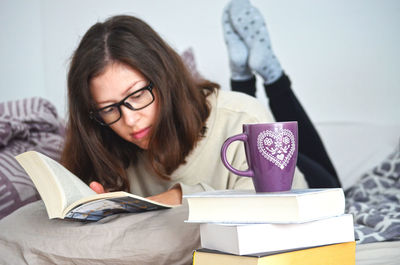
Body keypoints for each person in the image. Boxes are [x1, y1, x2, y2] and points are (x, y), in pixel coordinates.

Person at [60, 5, 312, 207]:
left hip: (294, 176)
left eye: (136, 95)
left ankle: (266, 75)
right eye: (109, 108)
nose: (129, 120)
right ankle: (245, 74)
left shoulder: (241, 115)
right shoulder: (104, 141)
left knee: (332, 182)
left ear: (164, 79)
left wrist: (183, 198)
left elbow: (272, 212)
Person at [222, 0, 341, 188]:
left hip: (292, 186)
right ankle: (257, 73)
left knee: (256, 146)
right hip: (319, 190)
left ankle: (251, 75)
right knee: (332, 187)